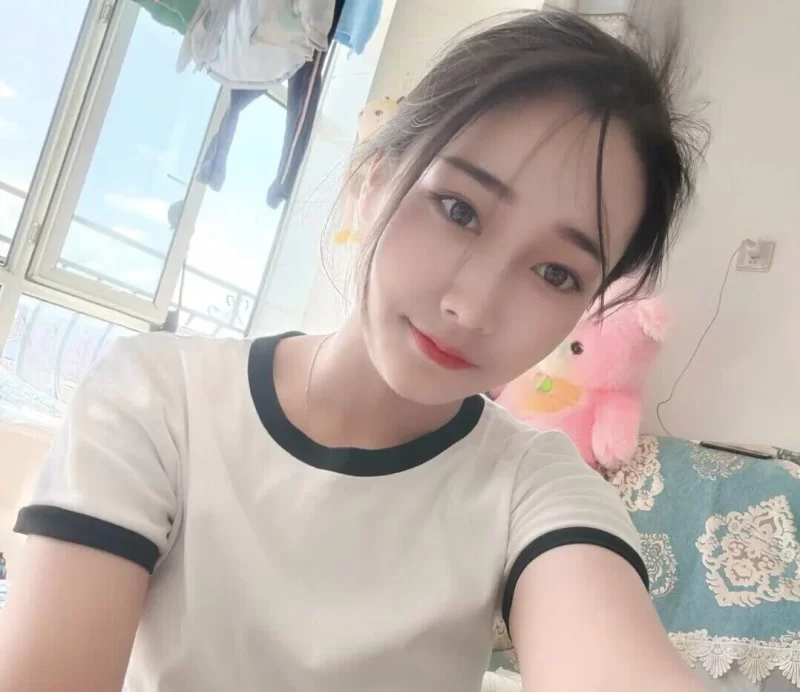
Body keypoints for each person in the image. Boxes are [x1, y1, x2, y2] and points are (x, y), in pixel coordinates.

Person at [0, 10, 708, 692]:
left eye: (555, 272)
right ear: (372, 183)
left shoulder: (536, 485)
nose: (473, 308)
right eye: (459, 210)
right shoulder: (159, 399)